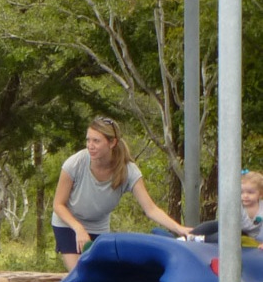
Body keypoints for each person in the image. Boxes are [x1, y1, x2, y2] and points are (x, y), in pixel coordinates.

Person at [52, 116, 191, 271]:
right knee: (80, 272)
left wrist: (180, 229)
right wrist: (78, 228)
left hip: (98, 227)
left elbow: (150, 209)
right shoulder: (75, 163)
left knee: (102, 276)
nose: (90, 146)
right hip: (69, 224)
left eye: (96, 141)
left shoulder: (128, 171)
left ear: (112, 143)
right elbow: (58, 205)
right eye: (88, 140)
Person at [189, 171, 263, 244]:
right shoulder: (237, 205)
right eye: (241, 192)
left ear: (260, 194)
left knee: (227, 237)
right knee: (210, 226)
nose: (245, 196)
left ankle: (203, 239)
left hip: (247, 236)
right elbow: (228, 223)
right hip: (233, 229)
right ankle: (190, 234)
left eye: (250, 192)